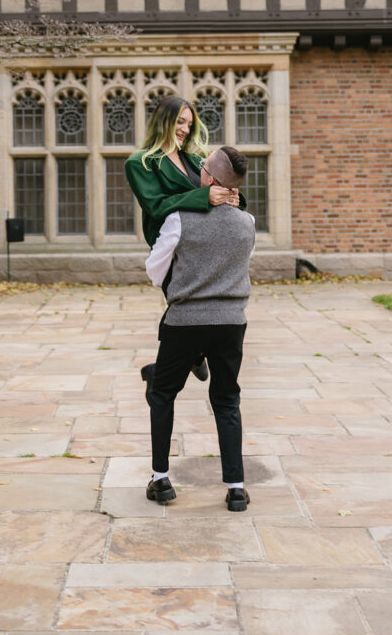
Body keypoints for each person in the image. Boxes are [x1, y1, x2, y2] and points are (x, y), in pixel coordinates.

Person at [142, 145, 255, 512]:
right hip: (230, 322)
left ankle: (161, 481)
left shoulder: (179, 219)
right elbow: (238, 265)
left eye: (202, 166)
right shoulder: (247, 223)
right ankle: (236, 489)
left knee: (162, 394)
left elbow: (154, 270)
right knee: (226, 400)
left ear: (208, 178)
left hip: (185, 321)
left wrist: (184, 285)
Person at [125, 95, 245, 383]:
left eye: (189, 124)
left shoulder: (195, 160)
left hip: (204, 249)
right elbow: (156, 206)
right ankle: (186, 362)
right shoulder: (140, 163)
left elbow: (217, 187)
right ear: (162, 121)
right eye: (179, 121)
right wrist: (203, 196)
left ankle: (170, 369)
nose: (184, 129)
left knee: (196, 319)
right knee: (182, 314)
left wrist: (233, 198)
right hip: (172, 250)